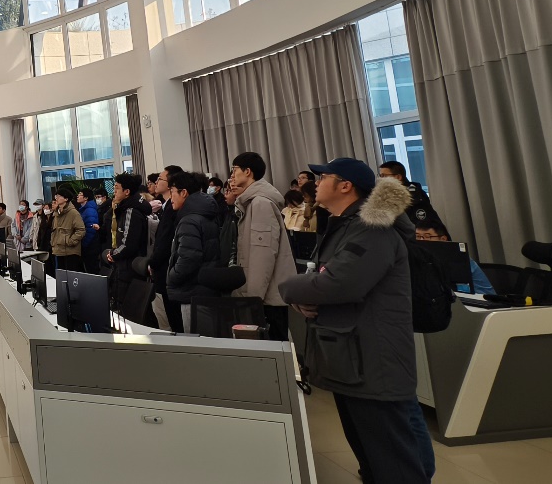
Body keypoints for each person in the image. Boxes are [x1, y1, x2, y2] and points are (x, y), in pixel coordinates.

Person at [278, 159, 427, 484]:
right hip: (351, 356)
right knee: (372, 459)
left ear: (346, 186)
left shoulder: (372, 227)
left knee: (393, 463)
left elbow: (340, 282)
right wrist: (306, 295)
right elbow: (321, 277)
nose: (316, 182)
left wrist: (288, 288)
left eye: (323, 177)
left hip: (373, 359)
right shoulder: (344, 224)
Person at [228, 152, 297, 342]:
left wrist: (252, 300)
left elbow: (263, 257)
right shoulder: (252, 202)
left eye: (234, 170)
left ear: (247, 172)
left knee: (273, 348)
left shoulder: (260, 204)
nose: (232, 176)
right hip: (263, 295)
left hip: (266, 298)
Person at [165, 171, 223, 329]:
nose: (170, 198)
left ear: (183, 193)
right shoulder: (206, 213)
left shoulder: (189, 220)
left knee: (196, 338)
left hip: (192, 290)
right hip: (207, 287)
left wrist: (171, 276)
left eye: (172, 192)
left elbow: (189, 258)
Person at [415, 215, 495, 296]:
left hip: (478, 300)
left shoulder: (458, 259)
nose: (421, 241)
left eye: (427, 236)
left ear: (443, 239)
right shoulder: (418, 258)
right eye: (417, 236)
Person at [146, 165, 184, 332]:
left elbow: (166, 241)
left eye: (160, 179)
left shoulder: (172, 209)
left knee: (175, 319)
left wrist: (153, 262)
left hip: (167, 268)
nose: (156, 182)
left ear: (170, 184)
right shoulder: (166, 206)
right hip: (164, 267)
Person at [105, 173, 151, 303]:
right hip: (125, 266)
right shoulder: (126, 208)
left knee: (127, 305)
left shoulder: (131, 211)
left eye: (117, 188)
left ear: (127, 192)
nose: (114, 192)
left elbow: (128, 244)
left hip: (128, 268)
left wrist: (113, 254)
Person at [379, 161, 439, 226]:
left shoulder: (414, 197)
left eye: (384, 176)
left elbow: (422, 226)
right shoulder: (386, 196)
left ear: (398, 177)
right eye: (380, 176)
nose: (380, 179)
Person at [50, 187, 85, 273]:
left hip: (70, 252)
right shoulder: (56, 213)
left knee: (71, 276)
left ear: (66, 199)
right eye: (56, 196)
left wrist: (70, 241)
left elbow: (81, 230)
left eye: (59, 196)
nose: (56, 198)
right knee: (61, 276)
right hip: (58, 250)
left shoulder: (73, 213)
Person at [76, 188, 100, 274]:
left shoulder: (89, 210)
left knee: (91, 269)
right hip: (88, 245)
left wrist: (84, 244)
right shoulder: (84, 209)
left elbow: (91, 230)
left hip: (90, 246)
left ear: (86, 198)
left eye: (80, 194)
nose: (77, 196)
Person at [94, 188, 113, 273]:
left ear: (104, 197)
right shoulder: (100, 208)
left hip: (106, 240)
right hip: (103, 239)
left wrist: (99, 229)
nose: (97, 199)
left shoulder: (107, 210)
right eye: (96, 197)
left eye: (98, 197)